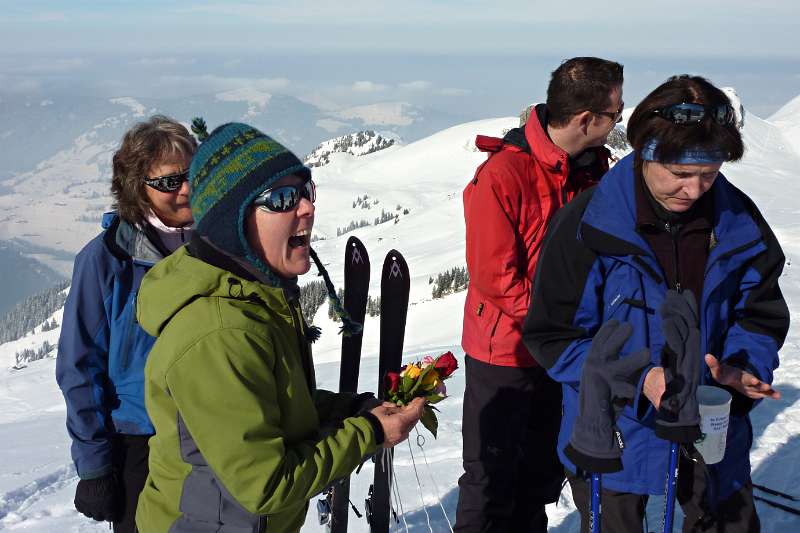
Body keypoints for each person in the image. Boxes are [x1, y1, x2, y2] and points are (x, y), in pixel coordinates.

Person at [523, 75, 789, 532]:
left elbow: (760, 313)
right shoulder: (589, 226)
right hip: (614, 431)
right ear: (645, 152)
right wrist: (638, 378)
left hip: (711, 420)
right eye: (681, 174)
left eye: (710, 173)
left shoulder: (739, 221)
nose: (696, 190)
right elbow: (553, 336)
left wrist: (740, 366)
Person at [134, 121, 425, 532]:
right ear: (232, 223)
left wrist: (353, 410)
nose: (306, 208)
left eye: (306, 193)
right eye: (284, 198)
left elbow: (274, 405)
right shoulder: (219, 334)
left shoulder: (256, 300)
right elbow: (267, 484)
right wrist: (371, 432)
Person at [455, 56, 624, 532]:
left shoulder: (592, 172)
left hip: (560, 354)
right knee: (490, 481)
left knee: (539, 475)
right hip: (505, 355)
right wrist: (559, 325)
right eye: (615, 113)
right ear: (587, 119)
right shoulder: (503, 176)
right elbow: (497, 278)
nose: (618, 123)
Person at [55, 115, 197, 532]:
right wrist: (96, 468)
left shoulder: (217, 246)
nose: (185, 189)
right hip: (141, 445)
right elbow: (79, 369)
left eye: (191, 175)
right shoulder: (105, 261)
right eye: (170, 182)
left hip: (214, 435)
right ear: (138, 188)